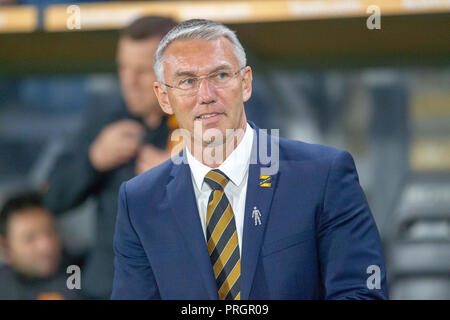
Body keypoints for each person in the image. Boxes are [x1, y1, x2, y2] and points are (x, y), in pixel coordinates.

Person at [111, 19, 389, 300]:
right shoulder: (139, 202)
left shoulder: (323, 175)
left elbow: (362, 293)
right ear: (164, 97)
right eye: (187, 81)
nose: (206, 96)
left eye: (220, 76)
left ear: (245, 83)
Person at [42, 16, 178, 299]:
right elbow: (52, 197)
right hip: (106, 287)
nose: (128, 81)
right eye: (122, 68)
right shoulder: (105, 118)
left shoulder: (203, 121)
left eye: (141, 71)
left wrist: (180, 176)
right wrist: (93, 160)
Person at [0, 191, 83, 299]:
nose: (46, 246)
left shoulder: (82, 271)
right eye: (30, 238)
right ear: (5, 246)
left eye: (51, 232)